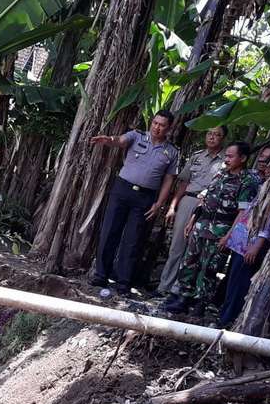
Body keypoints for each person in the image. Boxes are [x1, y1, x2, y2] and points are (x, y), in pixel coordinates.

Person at [164, 141, 260, 317]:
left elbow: (242, 213)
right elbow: (204, 198)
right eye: (226, 156)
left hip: (221, 230)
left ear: (243, 158)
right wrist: (192, 220)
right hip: (202, 225)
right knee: (190, 262)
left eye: (231, 156)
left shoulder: (247, 181)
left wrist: (229, 236)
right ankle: (183, 298)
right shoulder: (220, 174)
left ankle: (201, 302)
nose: (226, 159)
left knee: (210, 267)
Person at [89, 110, 179, 295]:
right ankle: (101, 275)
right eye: (155, 123)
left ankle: (123, 281)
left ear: (169, 128)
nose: (157, 127)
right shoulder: (136, 136)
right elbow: (120, 141)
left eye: (162, 125)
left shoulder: (171, 152)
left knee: (133, 239)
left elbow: (169, 179)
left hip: (145, 197)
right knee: (110, 232)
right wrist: (109, 140)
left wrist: (159, 203)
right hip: (122, 190)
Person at [217, 146, 270, 327]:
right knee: (233, 281)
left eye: (267, 161)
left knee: (241, 283)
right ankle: (224, 317)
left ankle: (228, 321)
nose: (263, 164)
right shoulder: (264, 181)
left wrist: (258, 244)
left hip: (252, 244)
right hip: (242, 240)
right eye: (262, 160)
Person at [156, 126, 227, 296]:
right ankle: (165, 286)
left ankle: (183, 290)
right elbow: (183, 183)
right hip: (188, 200)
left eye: (217, 135)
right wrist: (173, 206)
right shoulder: (197, 157)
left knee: (197, 249)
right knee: (177, 245)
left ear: (223, 139)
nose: (212, 137)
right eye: (209, 133)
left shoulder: (226, 160)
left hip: (210, 206)